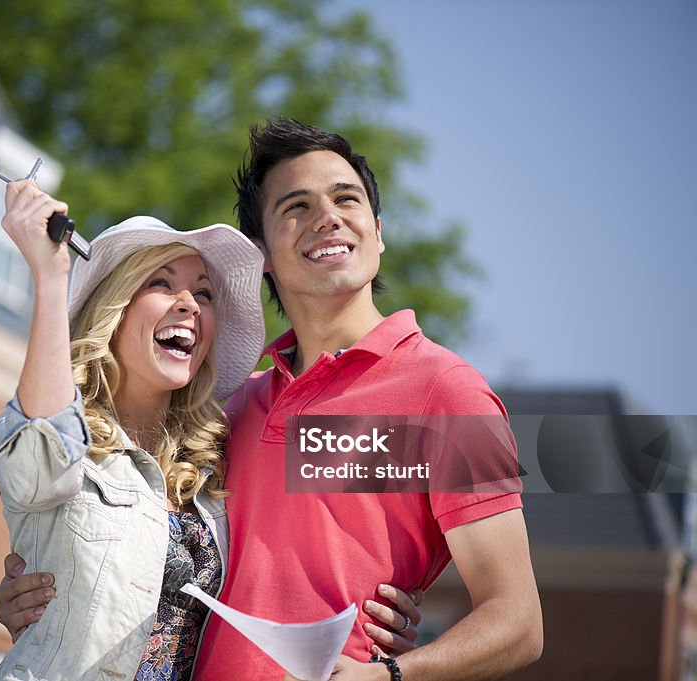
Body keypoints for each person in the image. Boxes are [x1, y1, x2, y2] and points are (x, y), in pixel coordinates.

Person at [193, 118, 543, 680]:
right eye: (296, 207)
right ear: (261, 253)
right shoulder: (228, 404)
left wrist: (389, 677)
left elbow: (519, 621)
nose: (327, 217)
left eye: (345, 198)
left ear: (376, 232)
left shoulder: (449, 393)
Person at [0, 166, 268, 681]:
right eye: (161, 284)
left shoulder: (210, 469)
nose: (189, 303)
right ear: (113, 311)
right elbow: (42, 453)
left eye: (203, 294)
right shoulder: (74, 441)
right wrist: (51, 276)